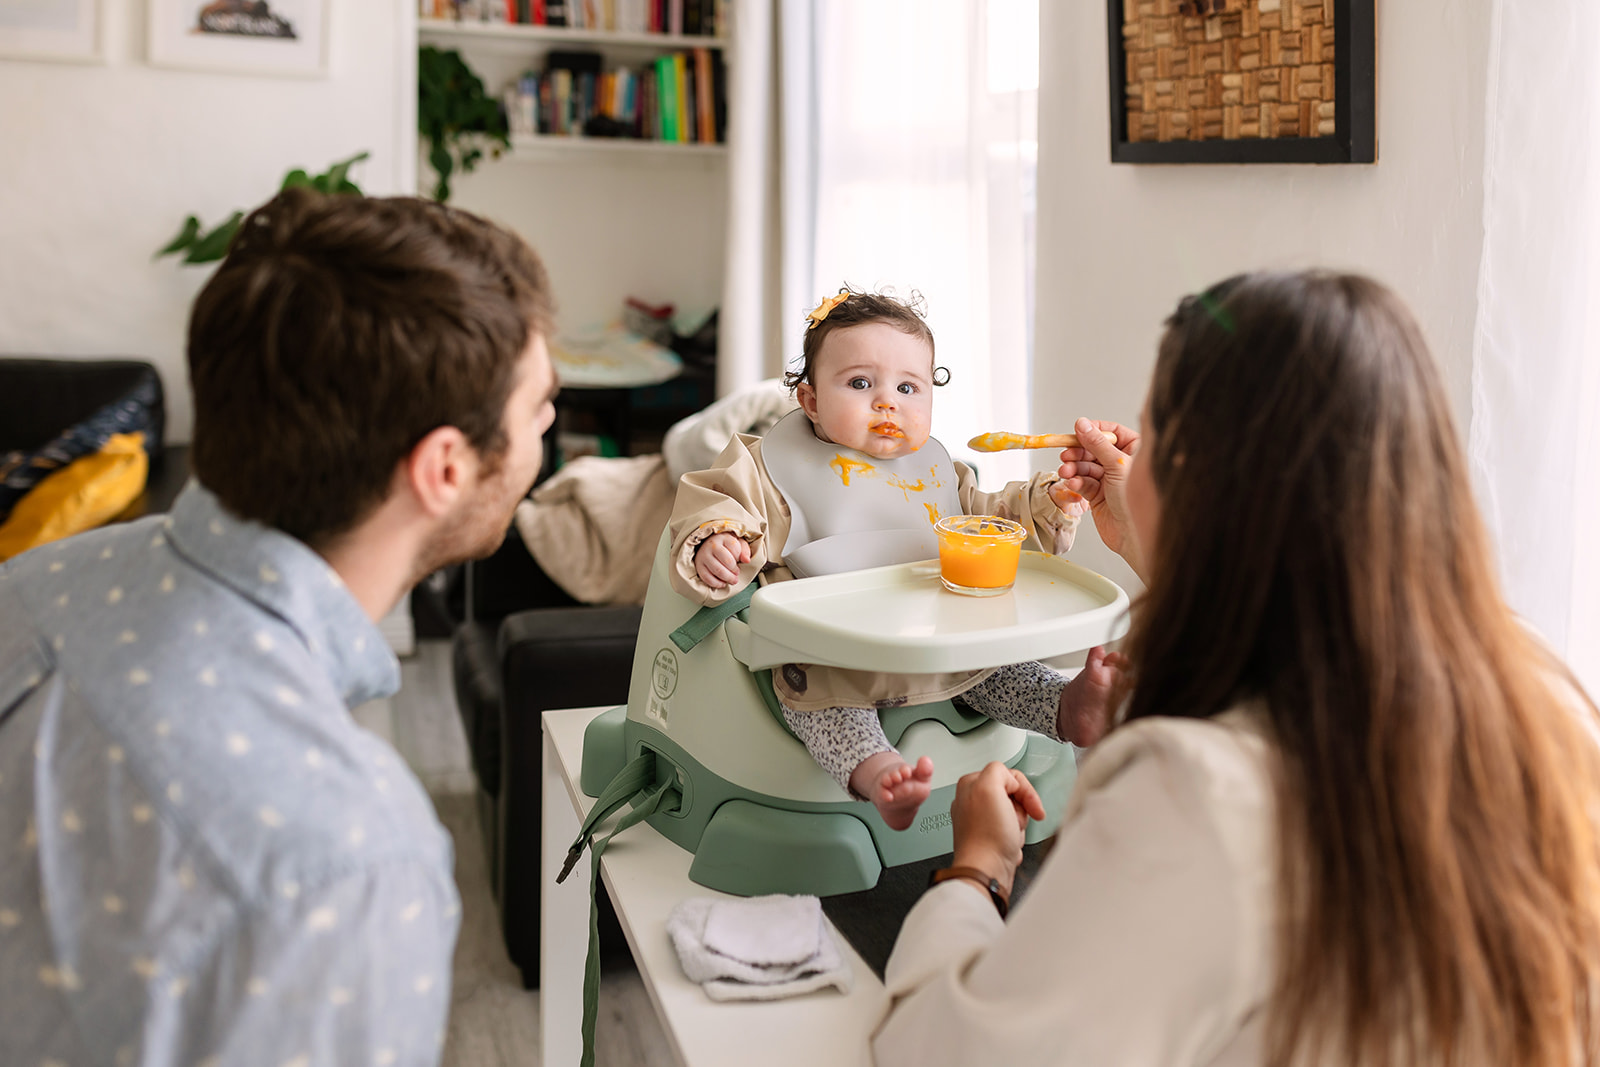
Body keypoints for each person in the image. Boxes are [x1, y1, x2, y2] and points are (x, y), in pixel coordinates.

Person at [872, 270, 1600, 1065]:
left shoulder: (1194, 794)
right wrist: (1158, 535)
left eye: (1148, 435)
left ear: (1193, 471)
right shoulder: (1543, 708)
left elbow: (940, 1049)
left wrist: (976, 868)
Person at [0, 188, 558, 1067]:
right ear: (444, 468)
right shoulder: (349, 861)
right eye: (538, 409)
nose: (546, 431)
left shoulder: (32, 582)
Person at [667, 287, 1124, 830]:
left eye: (909, 387)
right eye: (860, 383)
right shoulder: (769, 466)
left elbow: (989, 522)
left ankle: (1067, 707)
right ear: (810, 401)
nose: (887, 402)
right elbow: (715, 501)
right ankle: (880, 775)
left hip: (939, 635)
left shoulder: (938, 471)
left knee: (1001, 669)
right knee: (824, 705)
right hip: (832, 649)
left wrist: (1051, 499)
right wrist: (718, 539)